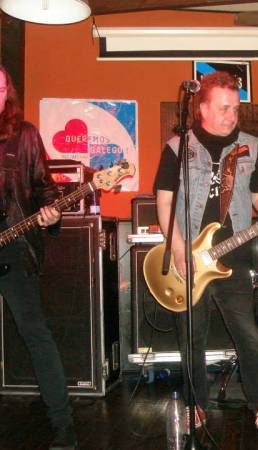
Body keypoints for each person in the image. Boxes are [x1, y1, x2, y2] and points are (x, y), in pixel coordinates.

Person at [154, 71, 258, 442]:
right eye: (224, 108)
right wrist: (179, 249)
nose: (232, 116)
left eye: (235, 109)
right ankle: (196, 405)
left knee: (248, 335)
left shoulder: (250, 146)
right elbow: (165, 202)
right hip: (189, 258)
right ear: (202, 108)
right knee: (192, 337)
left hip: (233, 256)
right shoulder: (178, 148)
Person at [0, 66, 77, 449]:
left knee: (36, 334)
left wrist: (53, 213)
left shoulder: (25, 135)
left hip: (14, 246)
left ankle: (64, 427)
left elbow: (45, 188)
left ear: (8, 93)